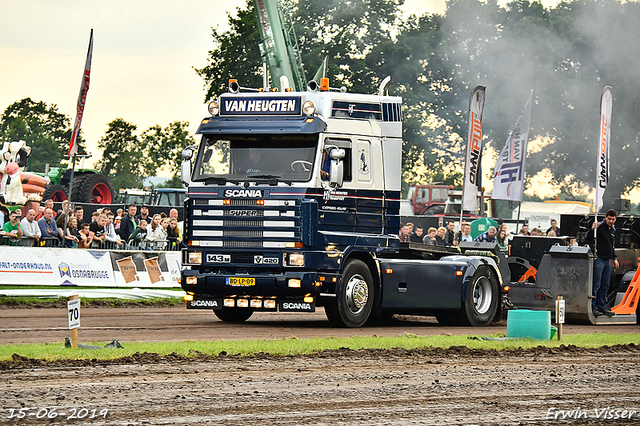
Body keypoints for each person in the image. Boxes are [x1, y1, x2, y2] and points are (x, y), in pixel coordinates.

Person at [585, 209, 618, 317]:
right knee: (596, 284)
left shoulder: (613, 229)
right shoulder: (599, 227)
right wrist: (592, 229)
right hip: (598, 258)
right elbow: (587, 237)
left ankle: (602, 306)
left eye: (613, 219)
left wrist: (615, 258)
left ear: (615, 219)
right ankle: (593, 306)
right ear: (605, 218)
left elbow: (611, 246)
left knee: (605, 285)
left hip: (607, 260)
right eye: (609, 219)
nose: (611, 221)